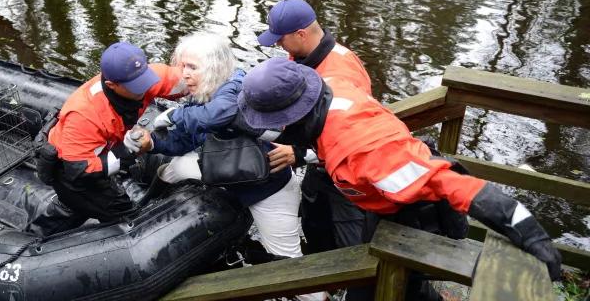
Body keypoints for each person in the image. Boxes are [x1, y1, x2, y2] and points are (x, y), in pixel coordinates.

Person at [236, 58, 562, 299]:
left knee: (400, 285)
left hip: (413, 213)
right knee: (371, 273)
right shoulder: (333, 84)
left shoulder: (363, 153)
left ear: (297, 117)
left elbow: (453, 184)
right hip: (378, 205)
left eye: (276, 122)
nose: (276, 129)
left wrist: (528, 232)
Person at [129, 32, 326, 301]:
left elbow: (220, 114)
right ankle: (142, 208)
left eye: (193, 68)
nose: (184, 74)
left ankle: (321, 296)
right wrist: (152, 145)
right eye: (182, 66)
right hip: (234, 179)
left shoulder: (237, 86)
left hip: (269, 191)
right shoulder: (200, 96)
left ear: (215, 67)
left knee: (288, 266)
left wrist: (174, 114)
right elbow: (185, 140)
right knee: (171, 168)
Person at [28, 42, 185, 235]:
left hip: (95, 152)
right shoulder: (84, 115)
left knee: (73, 207)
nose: (145, 88)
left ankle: (50, 221)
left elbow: (185, 81)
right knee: (122, 213)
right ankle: (33, 243)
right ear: (112, 85)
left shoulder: (143, 77)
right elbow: (80, 170)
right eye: (137, 86)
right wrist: (128, 151)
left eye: (145, 79)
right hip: (72, 172)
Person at [257, 0, 371, 254]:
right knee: (314, 227)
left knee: (354, 249)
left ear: (300, 34)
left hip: (347, 178)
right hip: (318, 169)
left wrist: (298, 154)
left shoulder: (338, 78)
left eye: (280, 38)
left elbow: (351, 139)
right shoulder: (305, 55)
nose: (277, 43)